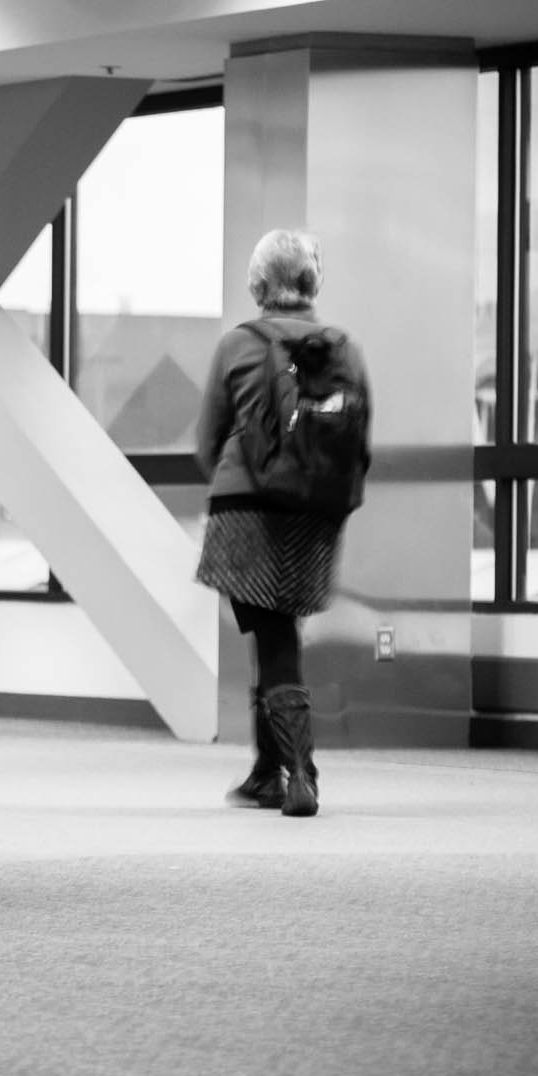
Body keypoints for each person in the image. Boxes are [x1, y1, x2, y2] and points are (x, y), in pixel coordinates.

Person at [193, 228, 370, 817]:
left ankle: (299, 774)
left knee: (271, 635)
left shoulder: (238, 344)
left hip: (247, 507)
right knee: (275, 632)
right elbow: (360, 440)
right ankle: (268, 769)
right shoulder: (343, 347)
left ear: (259, 284)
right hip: (316, 510)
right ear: (311, 282)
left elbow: (207, 441)